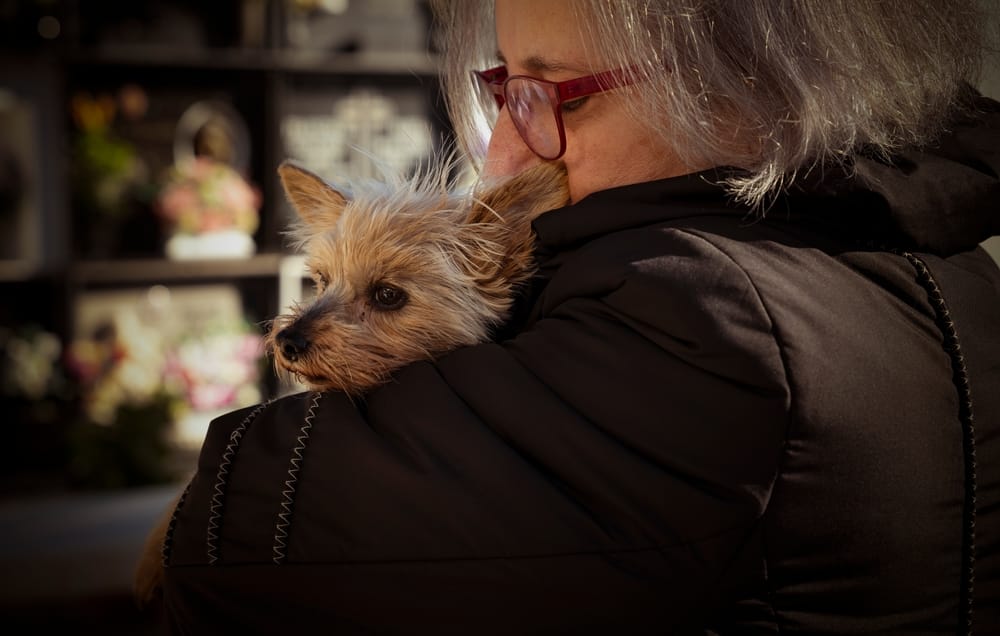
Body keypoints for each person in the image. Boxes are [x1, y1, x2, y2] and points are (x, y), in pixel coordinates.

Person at [158, 0, 1000, 632]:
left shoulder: (698, 304)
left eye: (554, 93)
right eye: (503, 89)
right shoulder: (949, 268)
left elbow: (234, 560)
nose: (503, 153)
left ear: (746, 91)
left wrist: (211, 495)